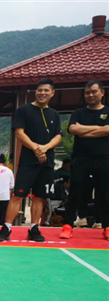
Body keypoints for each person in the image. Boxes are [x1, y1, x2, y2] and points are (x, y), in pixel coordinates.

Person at [0, 78, 62, 242]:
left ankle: (34, 229)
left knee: (39, 197)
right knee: (18, 195)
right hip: (27, 161)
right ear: (35, 91)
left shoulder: (54, 114)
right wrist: (36, 149)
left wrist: (44, 149)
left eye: (46, 90)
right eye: (40, 90)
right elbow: (19, 133)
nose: (42, 93)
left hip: (47, 162)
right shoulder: (23, 110)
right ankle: (6, 228)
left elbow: (58, 137)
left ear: (52, 93)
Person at [59, 80, 109, 240]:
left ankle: (107, 227)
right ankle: (67, 225)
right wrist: (101, 129)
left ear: (102, 93)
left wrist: (84, 130)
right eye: (87, 92)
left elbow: (81, 130)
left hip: (104, 159)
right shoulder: (78, 113)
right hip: (81, 159)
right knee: (75, 192)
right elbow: (73, 129)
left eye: (94, 91)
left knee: (105, 194)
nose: (90, 95)